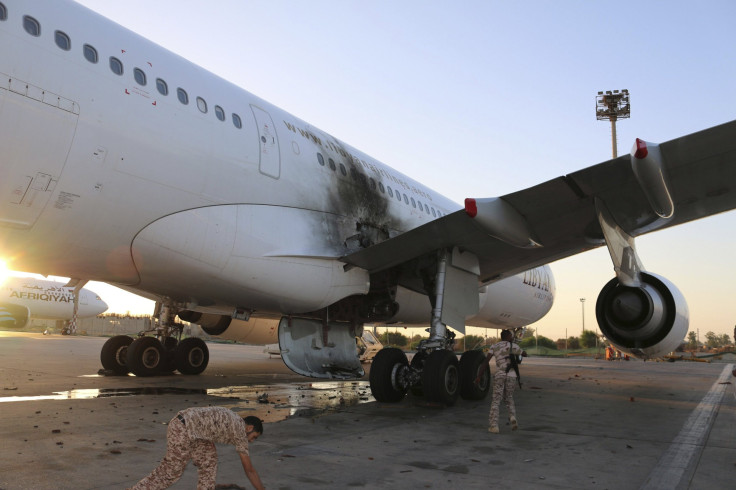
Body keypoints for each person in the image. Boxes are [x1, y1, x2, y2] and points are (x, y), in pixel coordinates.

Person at [130, 406, 265, 490]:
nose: (251, 441)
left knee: (209, 461)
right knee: (170, 473)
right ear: (249, 428)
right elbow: (249, 470)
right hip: (182, 428)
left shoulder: (234, 419)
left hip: (195, 432)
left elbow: (209, 425)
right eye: (254, 437)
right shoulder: (240, 431)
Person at [478, 329, 527, 434]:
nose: (512, 337)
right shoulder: (513, 346)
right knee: (508, 397)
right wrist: (518, 350)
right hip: (511, 376)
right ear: (508, 336)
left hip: (500, 375)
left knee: (496, 400)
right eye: (511, 335)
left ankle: (494, 426)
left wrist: (479, 376)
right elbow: (524, 354)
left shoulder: (494, 346)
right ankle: (512, 416)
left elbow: (485, 362)